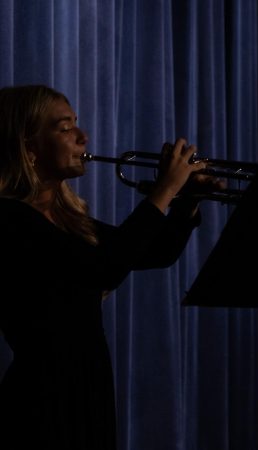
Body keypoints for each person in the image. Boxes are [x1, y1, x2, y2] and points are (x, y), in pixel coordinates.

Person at [0, 85, 222, 449]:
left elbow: (154, 253)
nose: (82, 136)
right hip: (41, 398)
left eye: (78, 125)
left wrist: (187, 203)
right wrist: (164, 190)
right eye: (64, 127)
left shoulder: (70, 221)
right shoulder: (10, 218)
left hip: (90, 389)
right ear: (28, 146)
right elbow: (106, 268)